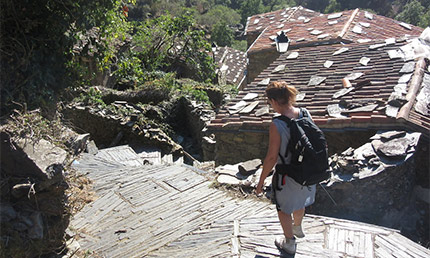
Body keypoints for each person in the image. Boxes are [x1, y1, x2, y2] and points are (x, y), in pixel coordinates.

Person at [256, 81, 316, 255]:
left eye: (269, 102)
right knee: (300, 201)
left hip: (287, 175)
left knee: (283, 209)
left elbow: (272, 157)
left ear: (274, 101)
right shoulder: (305, 113)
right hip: (307, 171)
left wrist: (261, 182)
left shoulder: (277, 124)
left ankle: (289, 243)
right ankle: (297, 227)